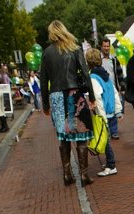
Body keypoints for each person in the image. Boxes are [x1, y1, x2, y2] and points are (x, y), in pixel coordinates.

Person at [40, 20, 95, 187]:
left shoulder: (46, 53)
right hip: (74, 94)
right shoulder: (74, 48)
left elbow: (43, 81)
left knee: (63, 138)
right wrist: (91, 96)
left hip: (56, 97)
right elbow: (86, 74)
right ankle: (84, 176)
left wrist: (45, 105)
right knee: (81, 136)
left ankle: (67, 174)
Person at [86, 47, 122, 177]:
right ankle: (109, 163)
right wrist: (118, 110)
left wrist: (101, 117)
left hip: (103, 113)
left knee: (105, 140)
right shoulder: (105, 74)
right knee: (107, 139)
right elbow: (114, 92)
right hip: (111, 111)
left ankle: (111, 165)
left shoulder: (94, 77)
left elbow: (97, 98)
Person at [100, 37, 125, 140]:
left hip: (113, 88)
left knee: (114, 109)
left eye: (108, 46)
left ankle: (114, 131)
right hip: (102, 88)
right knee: (104, 109)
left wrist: (122, 88)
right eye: (104, 46)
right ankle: (106, 130)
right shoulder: (98, 60)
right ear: (101, 47)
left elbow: (120, 74)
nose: (106, 48)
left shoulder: (114, 60)